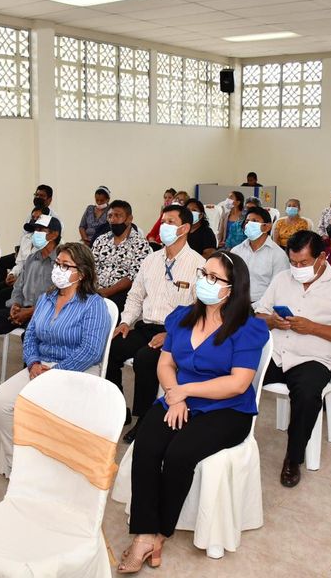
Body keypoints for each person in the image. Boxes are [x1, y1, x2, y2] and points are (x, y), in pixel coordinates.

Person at [118, 252, 268, 573]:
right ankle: (143, 535)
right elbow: (166, 363)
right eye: (203, 274)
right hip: (179, 398)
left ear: (233, 288)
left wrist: (186, 392)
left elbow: (238, 383)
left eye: (214, 278)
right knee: (146, 446)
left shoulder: (248, 328)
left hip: (227, 409)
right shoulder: (183, 316)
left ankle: (160, 534)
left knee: (179, 455)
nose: (204, 282)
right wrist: (175, 397)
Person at [0, 243, 110, 476]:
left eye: (66, 266)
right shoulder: (46, 298)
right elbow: (31, 335)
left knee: (48, 407)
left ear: (82, 273)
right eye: (57, 264)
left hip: (77, 369)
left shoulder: (94, 304)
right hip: (41, 365)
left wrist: (55, 372)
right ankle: (19, 465)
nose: (58, 269)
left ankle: (50, 466)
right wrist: (33, 363)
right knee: (1, 400)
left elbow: (91, 351)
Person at [255, 230, 331, 488]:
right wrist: (273, 321)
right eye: (293, 262)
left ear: (322, 257)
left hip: (313, 357)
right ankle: (233, 440)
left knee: (306, 395)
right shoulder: (282, 279)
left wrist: (312, 327)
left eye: (303, 262)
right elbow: (259, 315)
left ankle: (293, 458)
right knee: (240, 376)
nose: (297, 268)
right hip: (276, 353)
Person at [109, 205, 204, 443]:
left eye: (170, 222)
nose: (164, 226)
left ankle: (144, 419)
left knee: (145, 359)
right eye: (163, 221)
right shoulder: (151, 260)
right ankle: (119, 407)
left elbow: (200, 310)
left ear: (184, 228)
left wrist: (172, 335)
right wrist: (125, 321)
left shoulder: (198, 264)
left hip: (176, 332)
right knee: (111, 347)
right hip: (146, 325)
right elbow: (136, 296)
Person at [0, 215, 59, 391]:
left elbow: (58, 297)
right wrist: (15, 305)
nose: (35, 234)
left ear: (54, 234)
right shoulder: (32, 258)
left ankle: (31, 386)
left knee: (32, 335)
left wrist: (30, 312)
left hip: (46, 314)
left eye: (40, 230)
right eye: (34, 230)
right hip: (23, 310)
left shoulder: (61, 262)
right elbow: (18, 287)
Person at [93, 200, 152, 313]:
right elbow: (91, 267)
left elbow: (134, 276)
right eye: (110, 216)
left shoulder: (140, 244)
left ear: (129, 219)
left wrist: (107, 292)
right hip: (96, 291)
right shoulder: (101, 240)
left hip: (122, 293)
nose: (113, 220)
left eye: (118, 215)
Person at [0, 206, 49, 311]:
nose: (34, 220)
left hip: (32, 283)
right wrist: (12, 274)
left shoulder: (49, 242)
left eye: (38, 218)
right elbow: (20, 263)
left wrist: (20, 279)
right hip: (20, 279)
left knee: (3, 294)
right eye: (33, 217)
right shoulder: (26, 238)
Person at [231, 206, 290, 305]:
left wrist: (254, 307)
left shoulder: (278, 255)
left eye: (254, 221)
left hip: (263, 306)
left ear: (267, 227)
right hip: (236, 302)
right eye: (247, 221)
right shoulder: (236, 251)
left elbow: (278, 289)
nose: (249, 224)